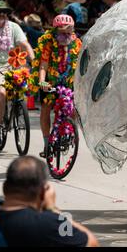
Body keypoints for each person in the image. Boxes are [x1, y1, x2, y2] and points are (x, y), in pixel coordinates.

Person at [0, 155, 98, 247]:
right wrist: (53, 209)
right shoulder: (46, 223)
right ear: (42, 192)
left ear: (5, 188)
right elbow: (91, 243)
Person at [29, 15, 81, 157]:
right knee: (46, 107)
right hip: (50, 82)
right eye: (63, 33)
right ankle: (47, 144)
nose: (67, 36)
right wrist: (42, 81)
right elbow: (43, 65)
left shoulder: (76, 43)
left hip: (68, 82)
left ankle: (69, 133)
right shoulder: (48, 42)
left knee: (72, 108)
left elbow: (80, 65)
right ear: (56, 31)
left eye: (69, 32)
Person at [0, 1, 34, 146]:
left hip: (14, 65)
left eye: (5, 11)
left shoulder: (14, 27)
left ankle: (18, 107)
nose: (2, 14)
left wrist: (34, 61)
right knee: (2, 93)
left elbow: (25, 45)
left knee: (24, 85)